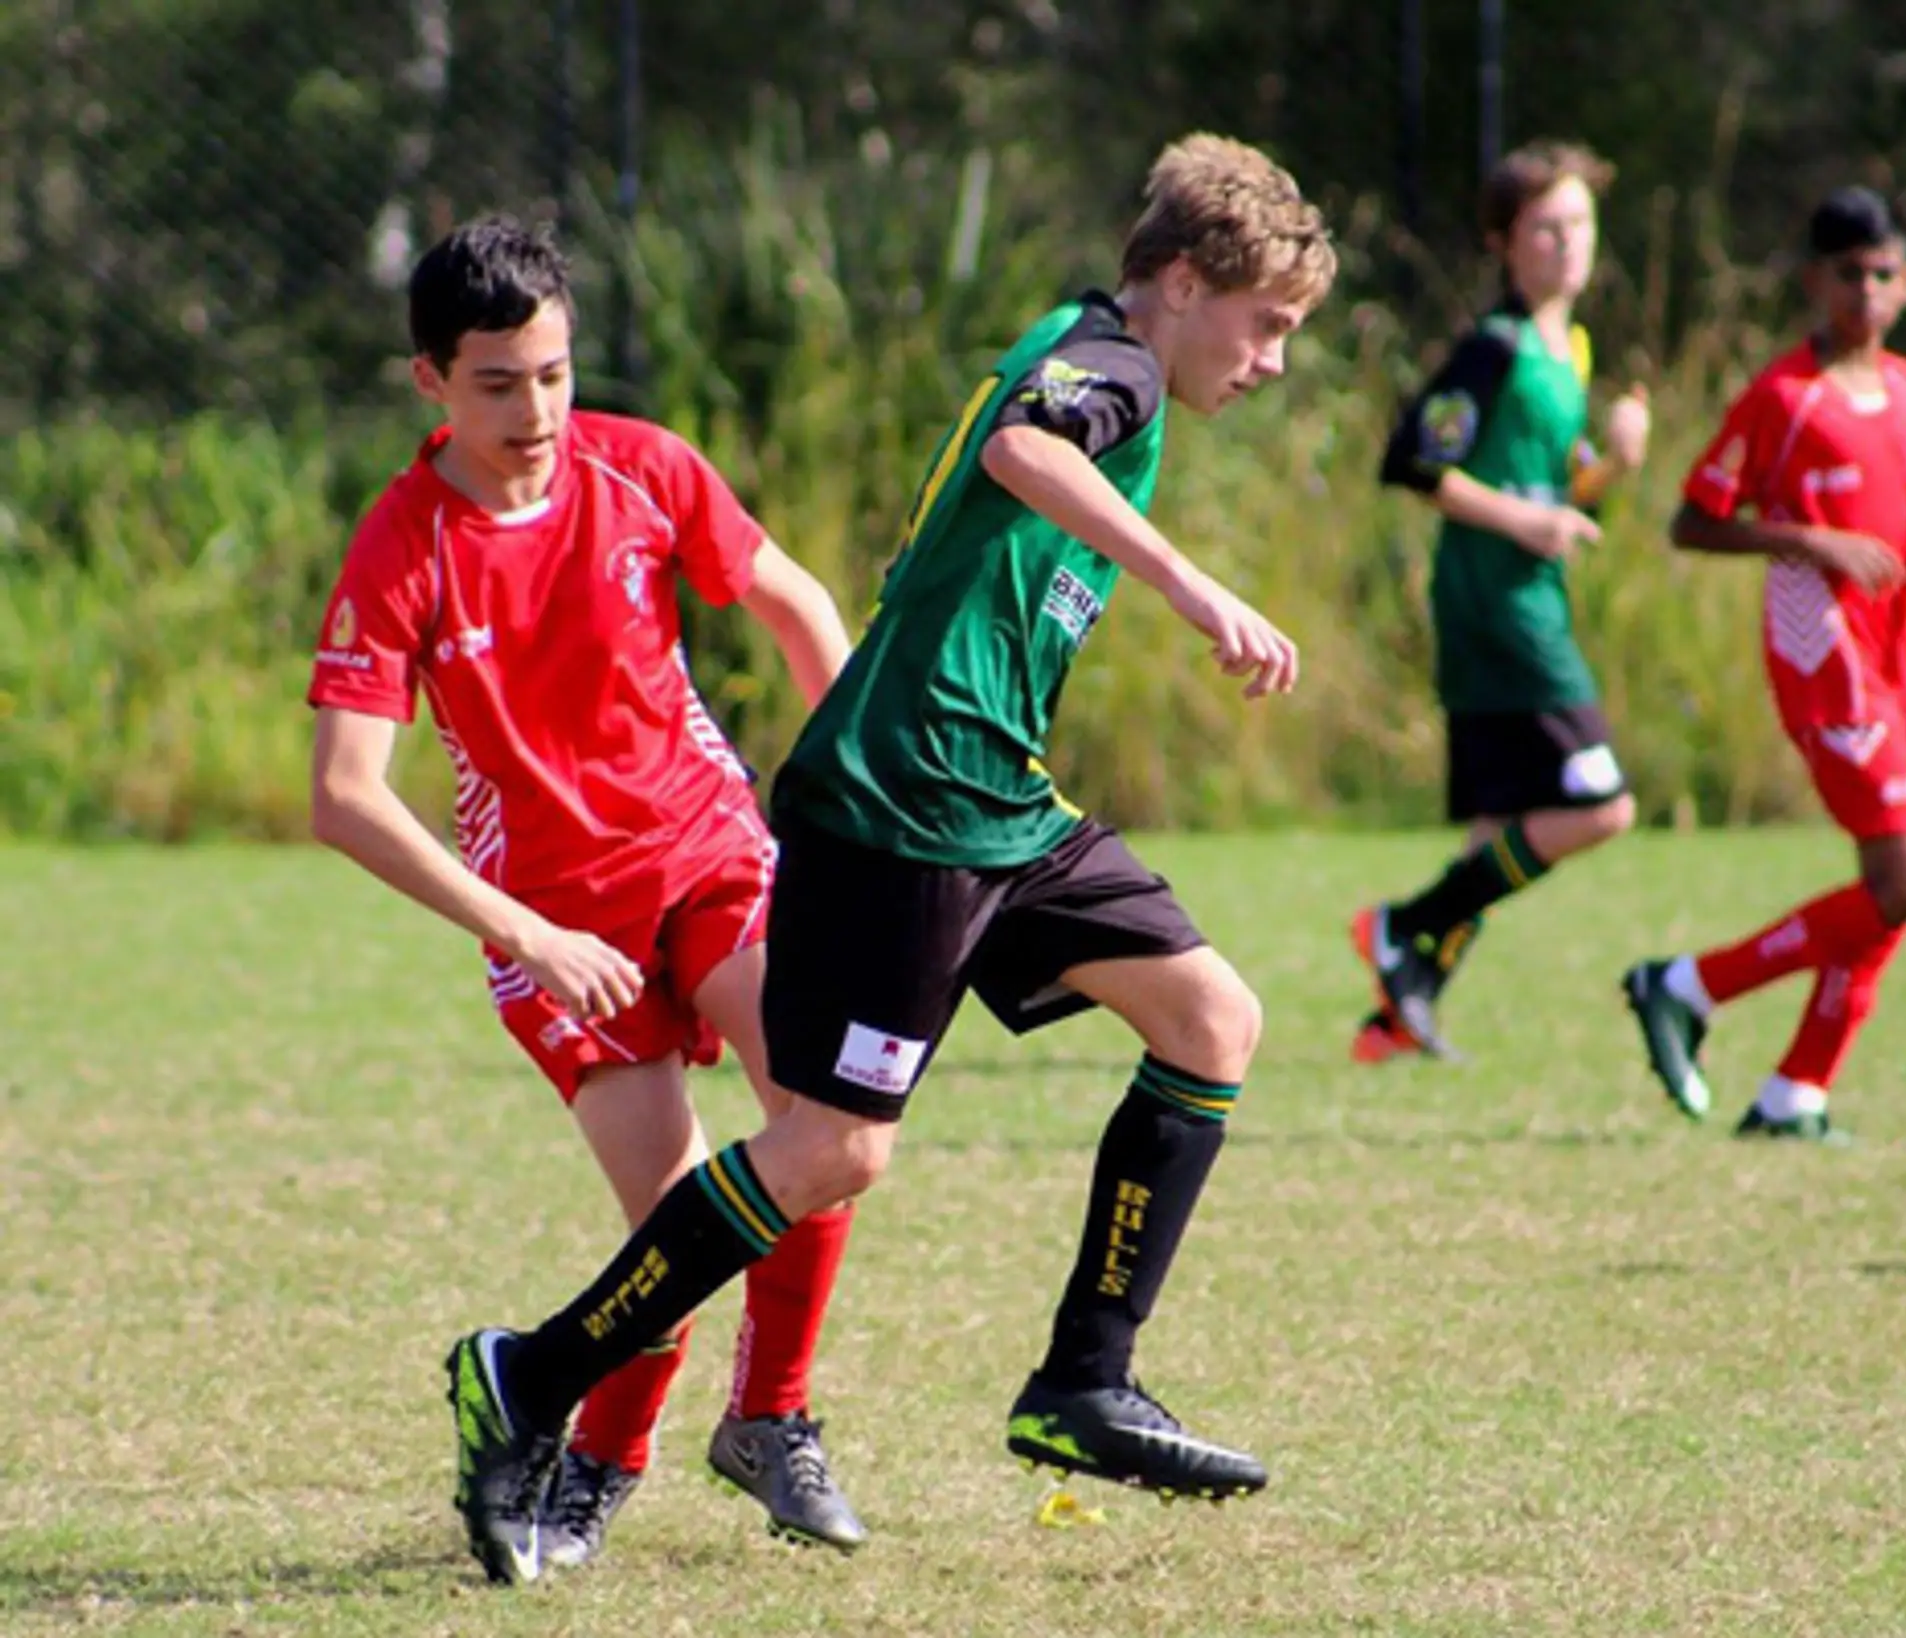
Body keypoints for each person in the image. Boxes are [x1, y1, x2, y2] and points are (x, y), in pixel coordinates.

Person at [436, 133, 1337, 1585]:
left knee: (1211, 1017)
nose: (1277, 360)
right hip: (908, 811)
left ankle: (1082, 1383)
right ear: (1179, 284)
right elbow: (1022, 449)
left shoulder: (1096, 349)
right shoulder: (1112, 368)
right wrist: (1192, 584)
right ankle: (532, 1373)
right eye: (1268, 324)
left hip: (998, 805)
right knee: (835, 1149)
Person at [307, 216, 869, 1568]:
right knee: (670, 1224)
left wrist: (852, 800)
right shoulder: (404, 546)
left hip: (706, 846)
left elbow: (798, 608)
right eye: (498, 382)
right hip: (552, 912)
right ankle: (595, 1464)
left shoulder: (645, 468)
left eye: (554, 373)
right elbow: (344, 793)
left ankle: (772, 1416)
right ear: (430, 381)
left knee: (824, 1121)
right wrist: (526, 933)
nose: (537, 409)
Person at [1622, 186, 1906, 1142]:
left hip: (1892, 668)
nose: (1864, 290)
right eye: (1846, 273)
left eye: (1882, 273)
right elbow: (1694, 522)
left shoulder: (1904, 389)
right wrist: (1811, 543)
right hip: (1826, 667)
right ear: (1815, 281)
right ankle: (1690, 985)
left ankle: (1794, 1094)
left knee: (1886, 892)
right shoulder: (1783, 398)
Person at [1355, 140, 1650, 1063]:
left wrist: (1618, 466)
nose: (1567, 244)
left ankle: (1400, 1015)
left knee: (1495, 826)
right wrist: (1524, 526)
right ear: (1504, 243)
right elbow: (1414, 462)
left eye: (1579, 226)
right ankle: (1404, 924)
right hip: (1494, 604)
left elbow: (1561, 496)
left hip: (1532, 591)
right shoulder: (1497, 348)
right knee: (1603, 806)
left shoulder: (1574, 348)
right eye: (1545, 228)